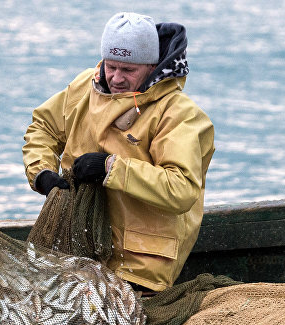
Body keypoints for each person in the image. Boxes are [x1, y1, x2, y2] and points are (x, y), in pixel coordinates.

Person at [23, 12, 214, 293]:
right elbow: (43, 127)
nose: (116, 78)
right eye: (111, 66)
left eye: (128, 70)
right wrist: (42, 173)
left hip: (141, 263)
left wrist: (112, 167)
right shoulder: (83, 87)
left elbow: (182, 188)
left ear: (151, 66)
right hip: (76, 245)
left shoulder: (179, 114)